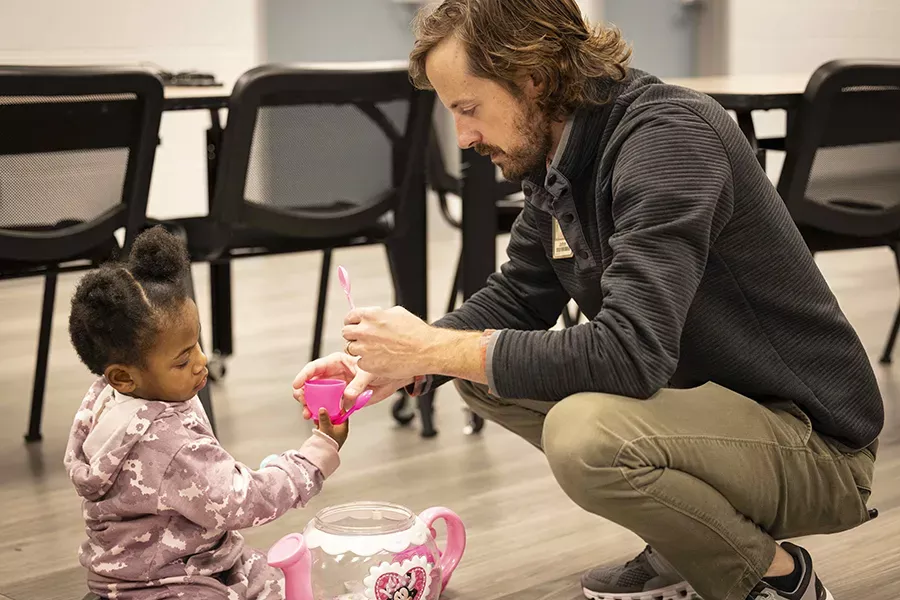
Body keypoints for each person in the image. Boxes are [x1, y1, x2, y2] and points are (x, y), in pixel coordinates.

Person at [292, 1, 884, 599]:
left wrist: (437, 347)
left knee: (585, 433)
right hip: (719, 413)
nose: (464, 136)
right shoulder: (564, 152)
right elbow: (519, 295)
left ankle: (774, 580)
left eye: (468, 109)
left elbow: (632, 355)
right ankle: (690, 543)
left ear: (535, 80)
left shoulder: (668, 141)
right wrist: (404, 363)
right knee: (475, 370)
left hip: (816, 445)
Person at [65, 226, 348, 600]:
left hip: (165, 561)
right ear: (124, 376)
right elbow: (243, 500)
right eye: (182, 360)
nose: (201, 363)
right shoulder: (168, 445)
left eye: (197, 343)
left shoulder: (108, 395)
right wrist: (318, 452)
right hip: (166, 584)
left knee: (261, 572)